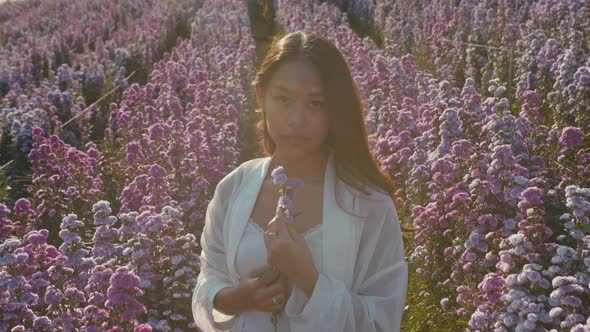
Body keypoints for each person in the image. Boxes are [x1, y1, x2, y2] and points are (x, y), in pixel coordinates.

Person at [192, 31, 408, 332]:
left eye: (315, 104)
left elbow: (382, 321)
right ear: (261, 97)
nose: (296, 119)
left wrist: (309, 279)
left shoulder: (368, 203)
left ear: (334, 110)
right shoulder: (233, 188)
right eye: (282, 99)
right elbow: (209, 275)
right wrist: (235, 298)